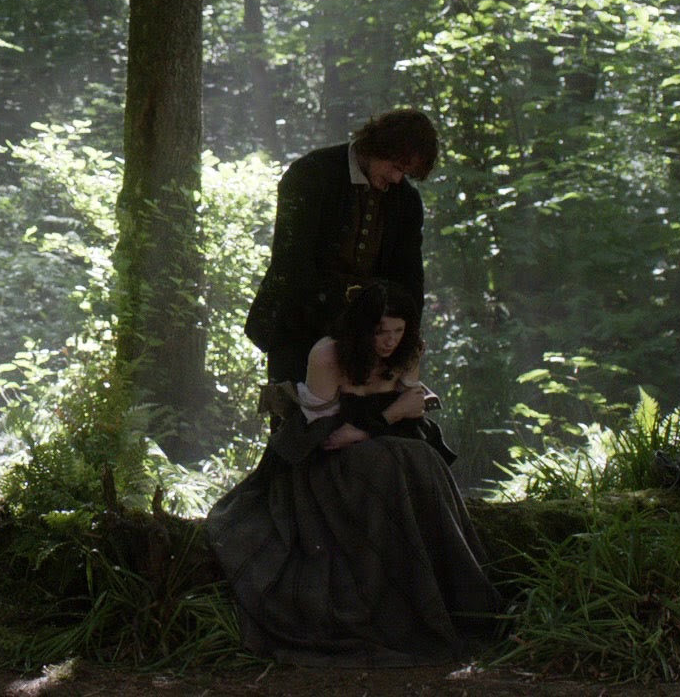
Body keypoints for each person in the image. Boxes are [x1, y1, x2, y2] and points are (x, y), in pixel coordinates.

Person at [207, 284, 501, 666]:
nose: (390, 342)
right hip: (327, 462)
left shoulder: (408, 351)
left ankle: (442, 598)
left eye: (398, 331)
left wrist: (374, 425)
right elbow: (323, 436)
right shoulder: (328, 354)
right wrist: (382, 421)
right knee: (386, 462)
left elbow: (410, 413)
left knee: (420, 459)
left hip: (384, 450)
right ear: (362, 328)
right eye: (380, 332)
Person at [246, 108, 439, 383]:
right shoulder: (311, 174)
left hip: (369, 341)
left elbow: (409, 276)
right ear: (378, 146)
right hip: (298, 328)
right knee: (297, 408)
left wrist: (405, 336)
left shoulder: (405, 200)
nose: (397, 178)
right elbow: (292, 263)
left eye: (405, 172)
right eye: (396, 166)